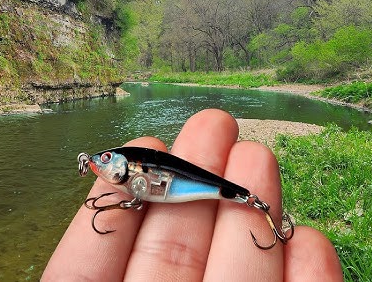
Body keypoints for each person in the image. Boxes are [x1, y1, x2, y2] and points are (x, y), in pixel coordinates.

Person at [42, 109, 344, 281]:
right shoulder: (128, 173)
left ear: (123, 164)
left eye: (106, 159)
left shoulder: (132, 170)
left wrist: (129, 201)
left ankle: (253, 202)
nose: (98, 163)